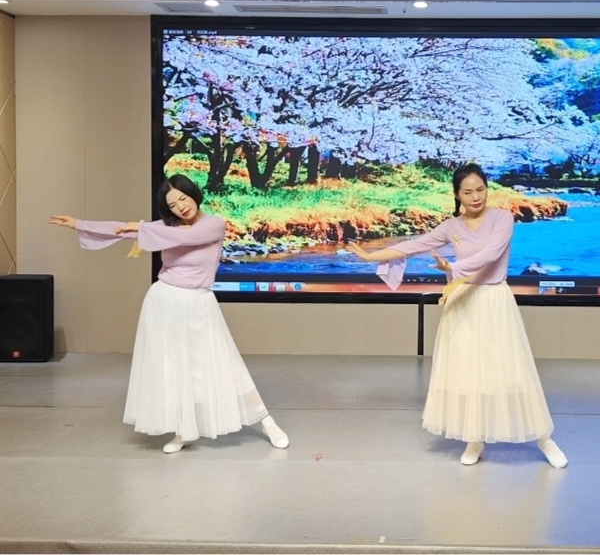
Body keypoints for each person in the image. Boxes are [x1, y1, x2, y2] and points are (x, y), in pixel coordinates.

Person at [347, 163, 567, 468]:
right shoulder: (452, 227)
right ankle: (474, 437)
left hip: (493, 301)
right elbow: (415, 245)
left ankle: (544, 438)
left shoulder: (502, 218)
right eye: (468, 192)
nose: (476, 197)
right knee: (466, 371)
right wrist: (371, 256)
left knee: (512, 370)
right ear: (457, 195)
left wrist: (452, 268)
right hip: (462, 301)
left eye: (480, 189)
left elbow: (491, 255)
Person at [49, 174, 289, 454]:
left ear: (193, 194)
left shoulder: (213, 224)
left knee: (224, 364)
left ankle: (266, 421)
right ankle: (184, 430)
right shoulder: (166, 227)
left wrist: (140, 227)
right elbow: (121, 230)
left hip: (198, 303)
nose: (180, 207)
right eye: (173, 205)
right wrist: (79, 224)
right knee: (172, 369)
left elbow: (185, 237)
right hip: (164, 301)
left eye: (183, 199)